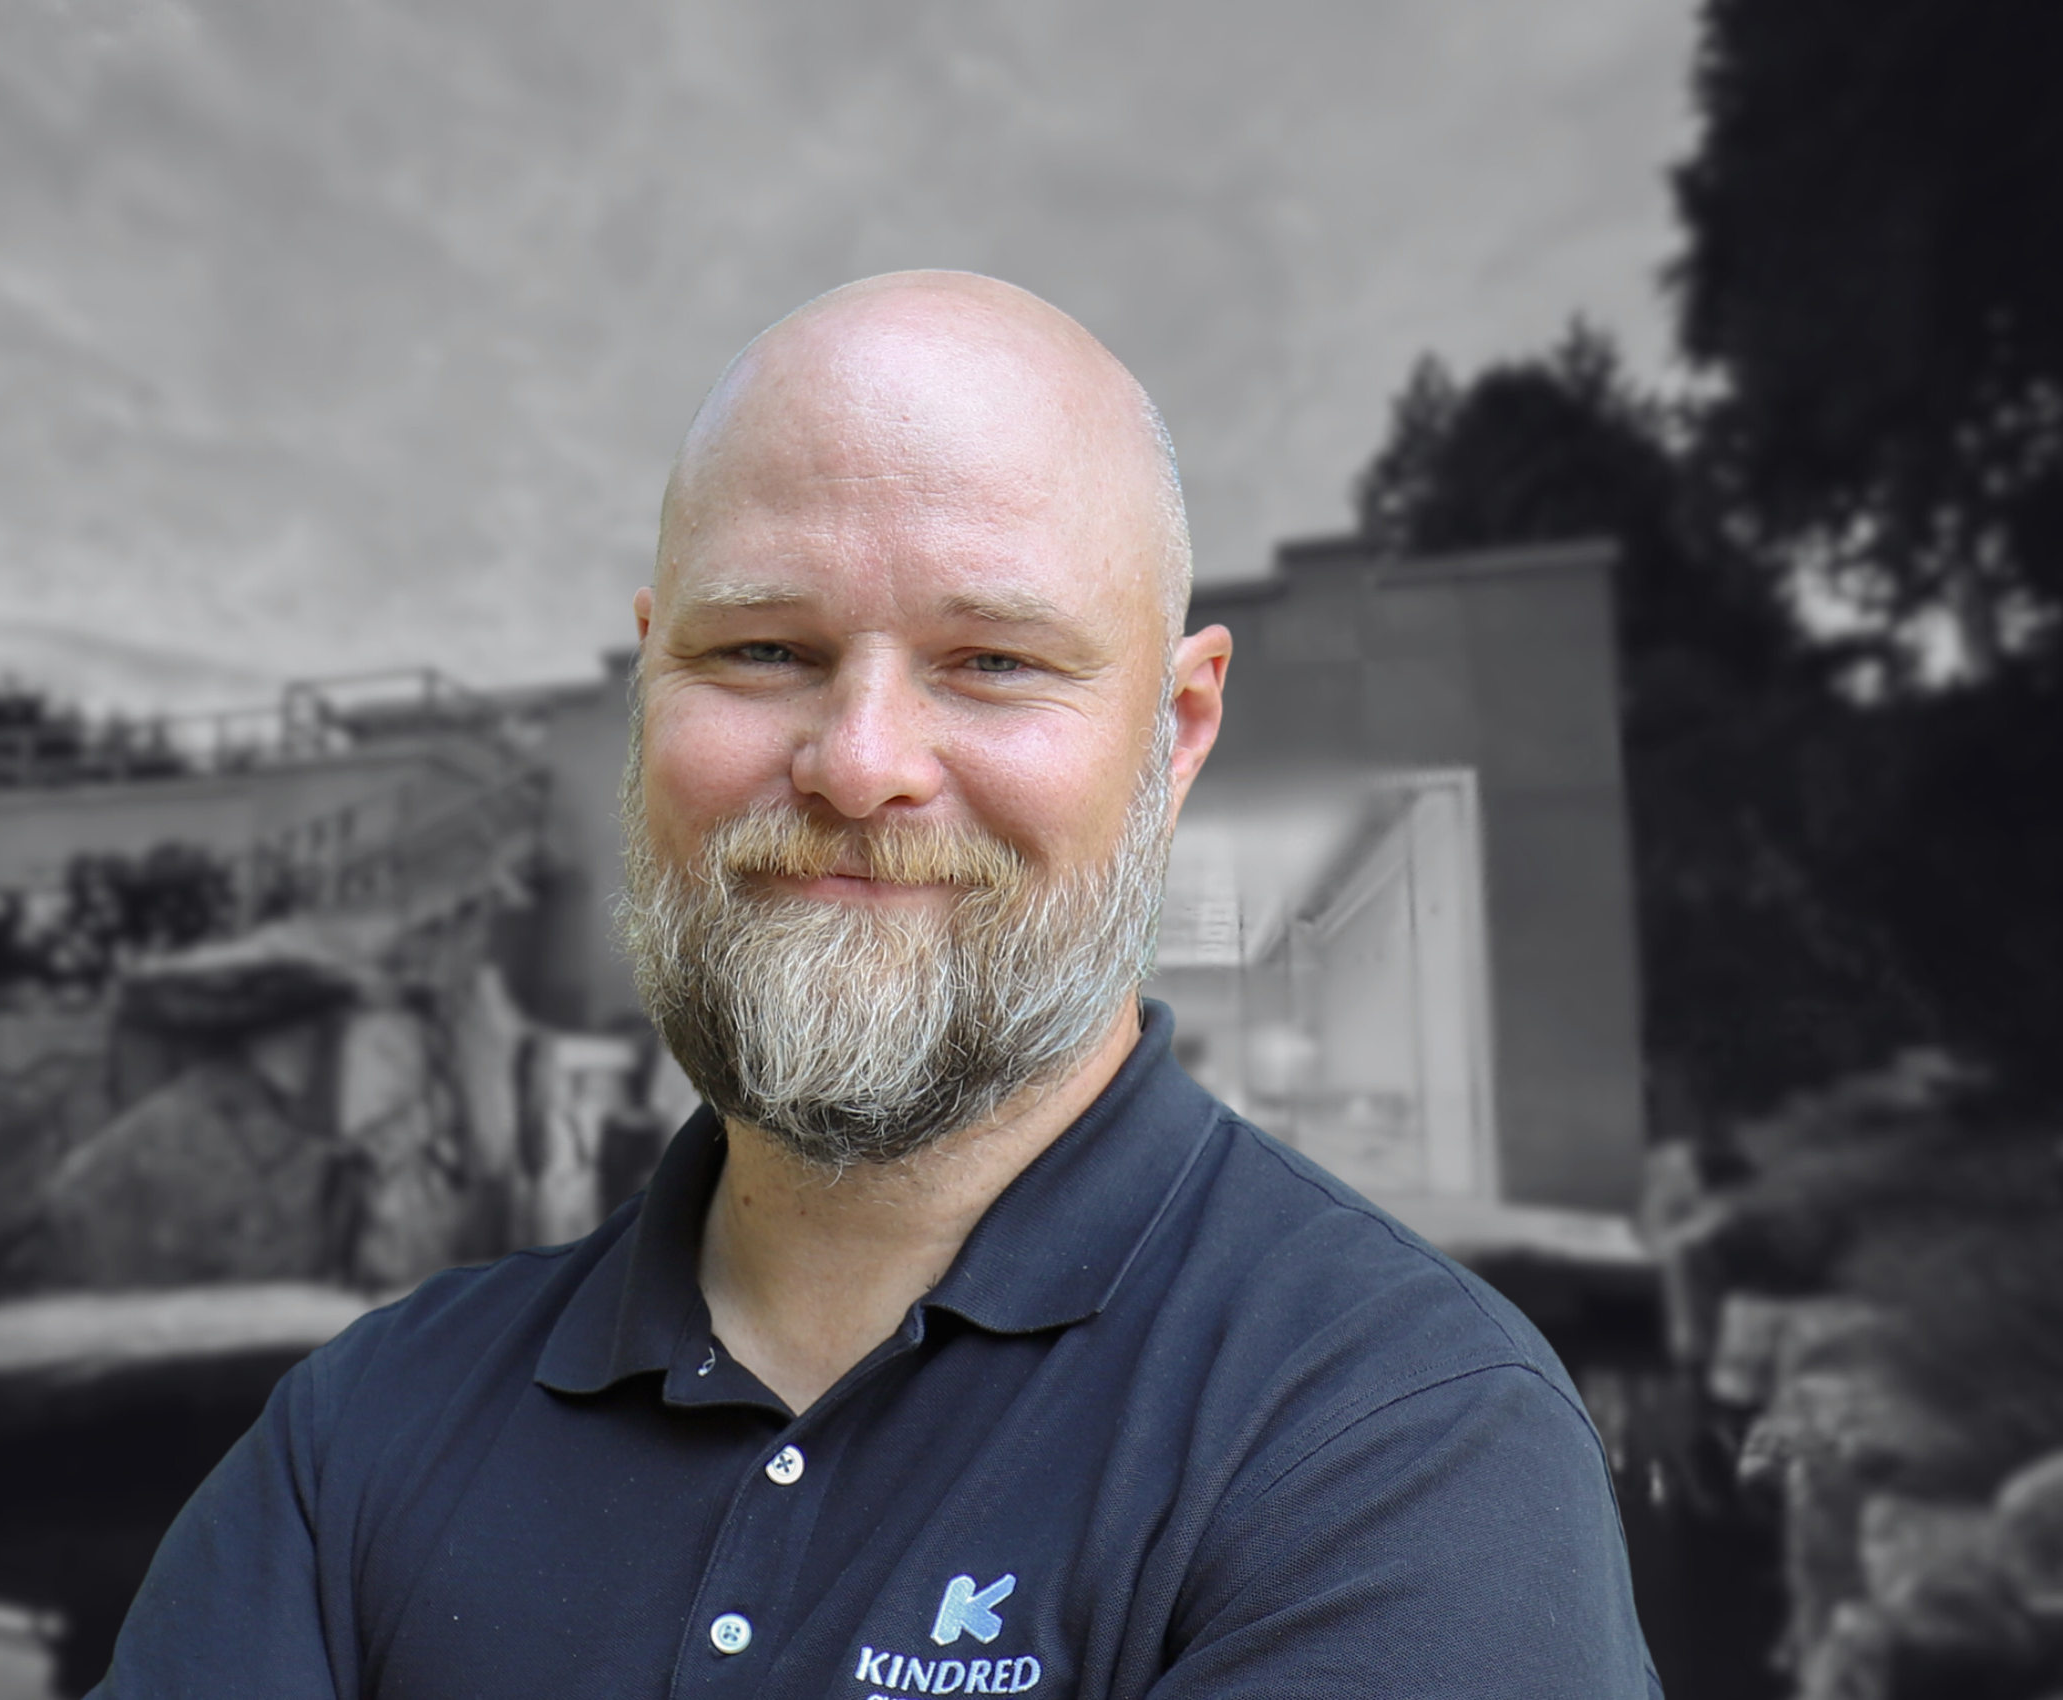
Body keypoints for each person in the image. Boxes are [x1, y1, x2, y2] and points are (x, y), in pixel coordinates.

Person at [89, 272, 1661, 1698]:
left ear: (1176, 735)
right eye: (765, 651)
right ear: (650, 689)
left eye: (992, 662)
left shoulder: (1403, 1447)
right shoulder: (359, 1432)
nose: (857, 766)